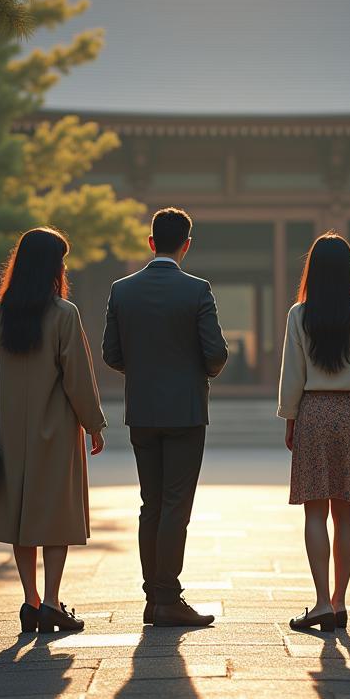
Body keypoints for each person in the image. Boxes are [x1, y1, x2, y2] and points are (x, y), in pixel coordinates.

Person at [0, 227, 106, 636]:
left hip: (14, 429)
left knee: (21, 515)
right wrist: (93, 423)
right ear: (52, 266)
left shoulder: (2, 313)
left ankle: (29, 602)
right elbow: (77, 376)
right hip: (57, 431)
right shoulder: (64, 314)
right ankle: (51, 603)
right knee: (55, 516)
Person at [102, 207, 228, 627]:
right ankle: (167, 597)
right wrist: (196, 374)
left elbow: (112, 354)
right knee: (177, 504)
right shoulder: (197, 290)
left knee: (150, 503)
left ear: (151, 242)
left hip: (141, 409)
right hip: (186, 410)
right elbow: (215, 354)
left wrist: (143, 373)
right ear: (186, 245)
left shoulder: (122, 290)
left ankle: (152, 597)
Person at [278, 232, 350, 633]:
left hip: (313, 411)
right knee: (346, 512)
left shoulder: (298, 315)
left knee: (315, 511)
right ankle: (339, 602)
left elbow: (292, 375)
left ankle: (320, 600)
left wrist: (290, 418)